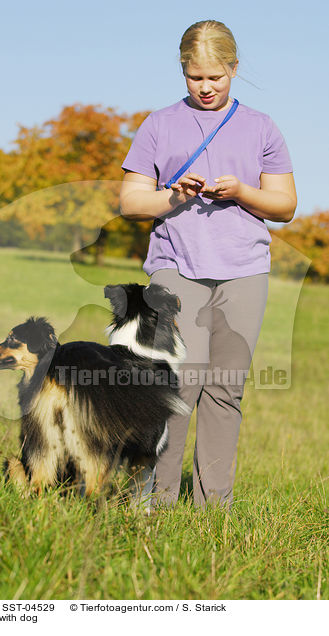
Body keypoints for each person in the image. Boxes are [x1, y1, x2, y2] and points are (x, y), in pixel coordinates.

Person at [119, 20, 297, 510]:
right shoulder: (159, 124)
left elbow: (284, 206)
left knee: (225, 391)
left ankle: (212, 509)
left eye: (216, 77)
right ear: (183, 72)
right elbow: (130, 201)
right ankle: (155, 503)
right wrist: (170, 195)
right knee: (176, 385)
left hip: (244, 271)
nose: (206, 87)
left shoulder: (261, 126)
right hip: (176, 265)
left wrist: (241, 192)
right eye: (195, 77)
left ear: (234, 70)